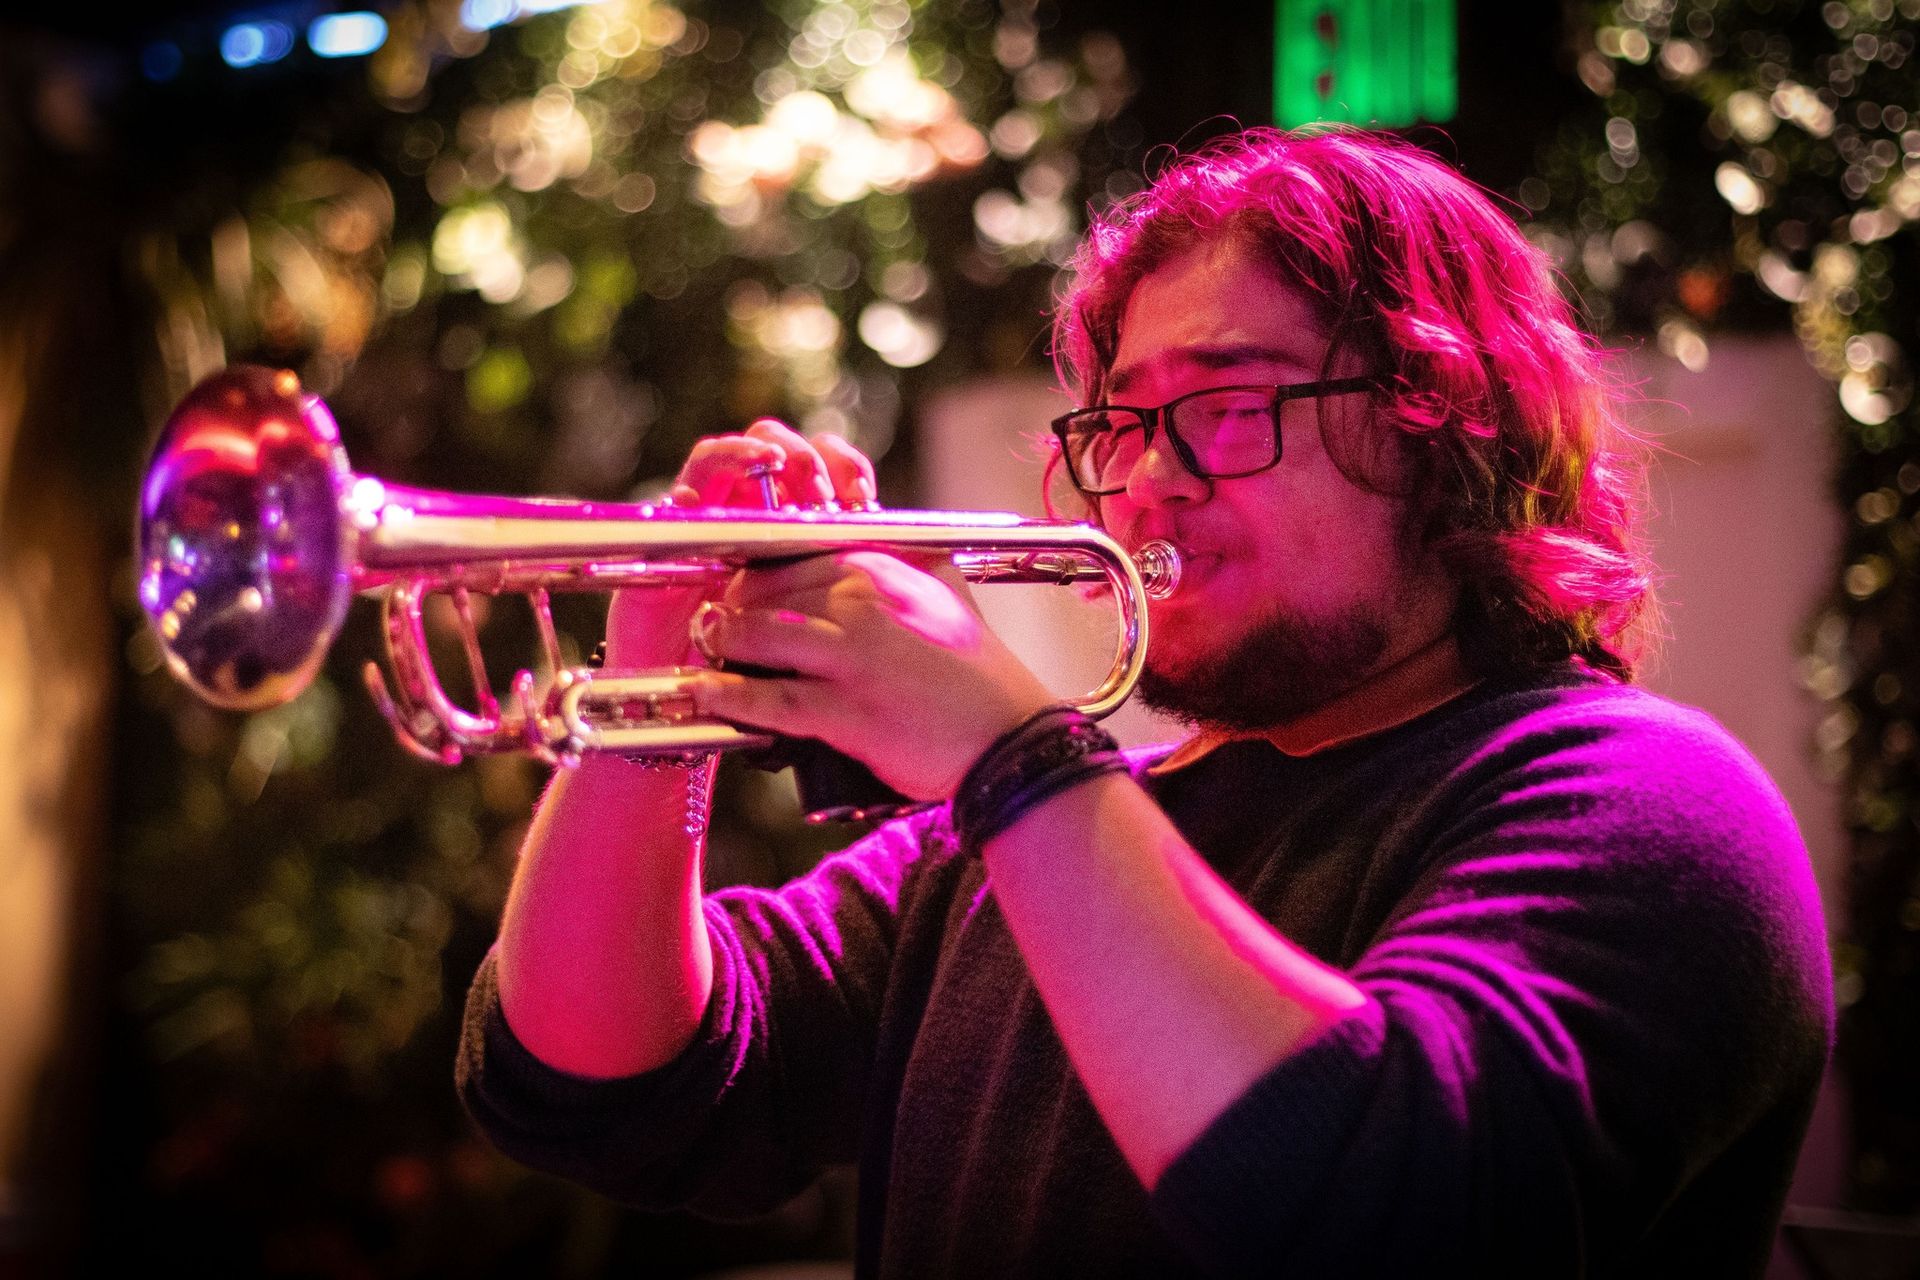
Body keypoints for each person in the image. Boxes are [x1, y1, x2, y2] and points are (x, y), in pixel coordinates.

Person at [456, 127, 1833, 1276]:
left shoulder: (1642, 797)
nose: (1153, 478)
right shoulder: (1023, 839)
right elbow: (602, 1087)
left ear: (1445, 423)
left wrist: (1008, 759)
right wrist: (656, 677)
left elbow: (1384, 1214)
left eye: (1231, 405)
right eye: (1123, 418)